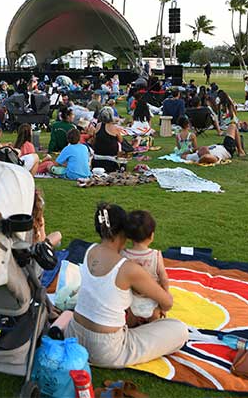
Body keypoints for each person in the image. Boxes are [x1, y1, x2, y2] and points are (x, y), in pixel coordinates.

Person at [66, 203, 187, 368]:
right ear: (124, 231)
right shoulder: (127, 268)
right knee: (179, 330)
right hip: (105, 350)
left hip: (74, 336)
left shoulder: (90, 250)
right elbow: (167, 303)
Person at [121, 210, 170, 327]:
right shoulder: (156, 255)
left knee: (131, 329)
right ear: (152, 235)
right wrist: (165, 298)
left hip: (131, 303)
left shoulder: (123, 255)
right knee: (155, 328)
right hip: (153, 301)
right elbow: (164, 279)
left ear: (128, 236)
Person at [92, 107, 123, 173]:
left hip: (97, 158)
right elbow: (120, 140)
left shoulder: (97, 126)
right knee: (122, 144)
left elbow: (94, 139)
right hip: (110, 160)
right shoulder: (115, 128)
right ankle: (123, 165)